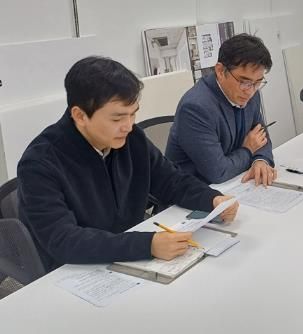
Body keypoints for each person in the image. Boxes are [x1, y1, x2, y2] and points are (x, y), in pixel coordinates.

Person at [17, 56, 239, 272]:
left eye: (133, 115)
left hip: (129, 258)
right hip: (76, 270)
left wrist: (212, 199)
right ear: (80, 116)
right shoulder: (40, 163)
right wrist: (147, 245)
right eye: (117, 118)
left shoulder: (131, 139)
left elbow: (170, 180)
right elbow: (63, 240)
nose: (128, 126)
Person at [166, 34, 276, 186]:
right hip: (193, 190)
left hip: (233, 183)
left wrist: (260, 160)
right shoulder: (195, 108)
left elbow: (261, 138)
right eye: (244, 81)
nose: (250, 91)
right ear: (220, 70)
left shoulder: (251, 94)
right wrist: (249, 150)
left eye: (257, 82)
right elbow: (218, 172)